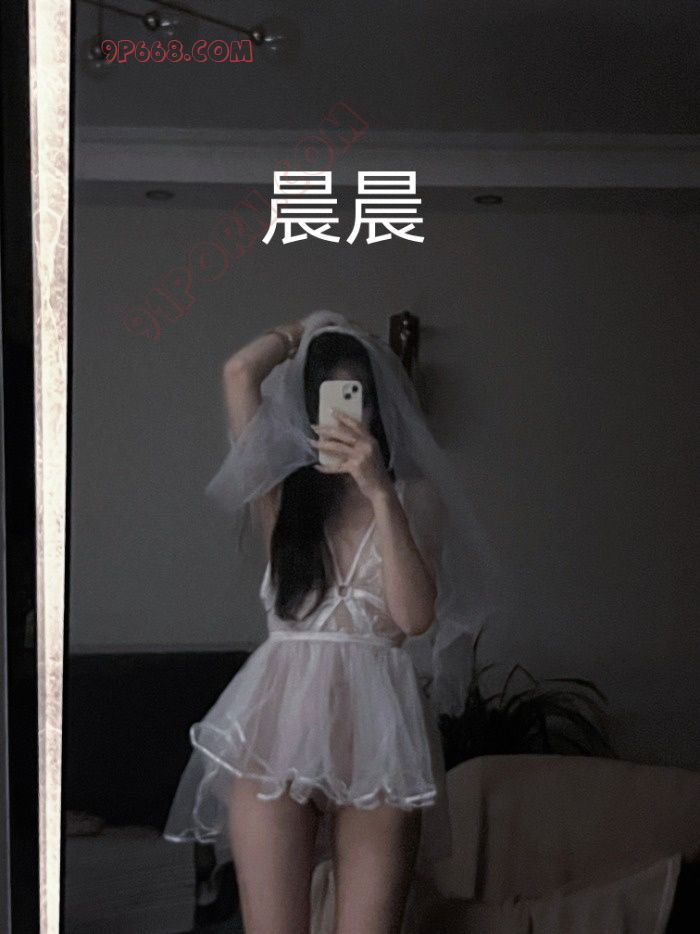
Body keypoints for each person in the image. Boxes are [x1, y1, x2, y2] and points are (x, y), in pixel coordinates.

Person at [164, 310, 505, 933]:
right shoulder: (278, 495)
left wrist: (379, 492)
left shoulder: (414, 499)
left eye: (359, 398)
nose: (348, 415)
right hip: (277, 732)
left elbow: (414, 619)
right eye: (330, 399)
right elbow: (239, 372)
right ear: (305, 410)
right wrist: (310, 327)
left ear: (380, 409)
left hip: (379, 740)